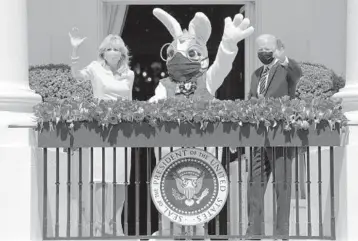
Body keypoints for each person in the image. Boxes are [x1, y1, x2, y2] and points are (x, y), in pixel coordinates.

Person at [147, 8, 254, 240]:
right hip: (170, 152)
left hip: (202, 152)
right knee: (167, 191)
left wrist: (228, 44)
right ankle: (167, 231)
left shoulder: (207, 80)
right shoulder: (164, 85)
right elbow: (152, 105)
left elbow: (222, 66)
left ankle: (198, 232)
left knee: (202, 194)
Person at [69, 27, 134, 236]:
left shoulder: (129, 74)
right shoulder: (95, 68)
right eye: (109, 49)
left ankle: (115, 224)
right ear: (103, 52)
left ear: (122, 53)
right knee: (101, 178)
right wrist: (74, 51)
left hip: (124, 130)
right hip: (102, 128)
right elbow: (77, 76)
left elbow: (129, 101)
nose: (113, 52)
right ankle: (100, 225)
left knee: (120, 179)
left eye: (117, 49)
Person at [246, 34, 302, 240]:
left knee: (282, 185)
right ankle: (254, 232)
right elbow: (249, 98)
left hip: (280, 136)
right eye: (260, 49)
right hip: (259, 138)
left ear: (277, 49)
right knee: (254, 184)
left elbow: (298, 74)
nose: (263, 53)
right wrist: (253, 103)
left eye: (267, 49)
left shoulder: (286, 70)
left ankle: (281, 234)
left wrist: (284, 59)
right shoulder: (255, 74)